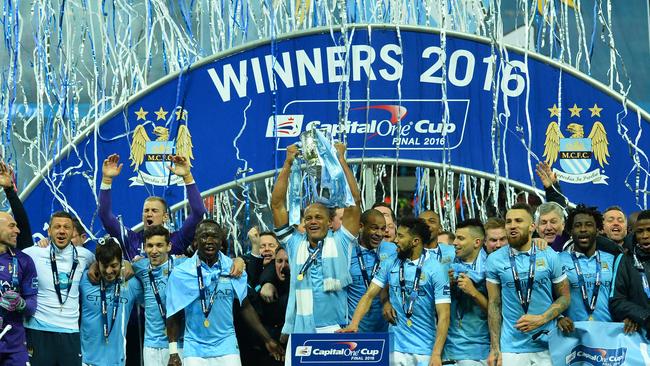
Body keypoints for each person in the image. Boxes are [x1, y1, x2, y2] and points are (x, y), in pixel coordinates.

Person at [270, 142, 361, 341]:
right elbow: (277, 204)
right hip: (300, 330)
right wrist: (287, 164)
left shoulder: (342, 241)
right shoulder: (294, 243)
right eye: (308, 217)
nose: (312, 221)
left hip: (335, 330)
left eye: (318, 217)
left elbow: (354, 201)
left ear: (330, 222)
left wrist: (341, 161)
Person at [165, 219, 283, 365]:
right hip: (194, 347)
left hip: (227, 346)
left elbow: (245, 307)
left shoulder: (233, 269)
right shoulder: (181, 273)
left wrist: (268, 339)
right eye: (204, 236)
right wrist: (173, 351)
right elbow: (173, 313)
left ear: (221, 241)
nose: (209, 240)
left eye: (214, 236)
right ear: (195, 241)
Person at [340, 217, 451, 366]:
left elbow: (444, 315)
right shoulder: (390, 262)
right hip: (395, 348)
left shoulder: (436, 269)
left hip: (425, 349)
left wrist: (437, 354)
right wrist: (354, 324)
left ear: (415, 242)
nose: (396, 240)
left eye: (401, 236)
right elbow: (369, 295)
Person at [486, 203, 569, 366]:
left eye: (518, 221)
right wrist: (495, 348)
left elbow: (565, 297)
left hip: (547, 344)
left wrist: (541, 319)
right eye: (508, 222)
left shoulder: (549, 255)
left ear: (532, 226)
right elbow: (494, 304)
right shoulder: (494, 260)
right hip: (512, 347)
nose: (512, 226)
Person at [98, 153, 207, 258]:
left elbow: (198, 212)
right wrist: (107, 180)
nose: (149, 214)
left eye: (154, 211)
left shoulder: (176, 240)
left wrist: (187, 177)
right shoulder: (130, 239)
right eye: (146, 211)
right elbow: (105, 216)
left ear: (165, 217)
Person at [23, 211, 95, 366]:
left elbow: (106, 264)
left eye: (66, 227)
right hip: (38, 329)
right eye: (57, 227)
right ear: (49, 231)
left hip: (70, 331)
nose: (62, 231)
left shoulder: (85, 255)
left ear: (72, 232)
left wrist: (127, 265)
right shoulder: (34, 253)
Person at [79, 238, 143, 366]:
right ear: (97, 263)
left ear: (121, 263)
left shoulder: (131, 283)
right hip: (86, 361)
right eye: (104, 265)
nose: (109, 271)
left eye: (114, 265)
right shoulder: (85, 279)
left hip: (117, 362)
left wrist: (130, 263)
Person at [557, 205, 616, 334]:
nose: (583, 229)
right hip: (573, 335)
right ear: (570, 231)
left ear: (598, 229)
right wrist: (559, 318)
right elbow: (548, 295)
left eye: (589, 225)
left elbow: (621, 296)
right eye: (578, 225)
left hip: (609, 334)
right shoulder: (557, 260)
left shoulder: (612, 260)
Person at [132, 225, 184, 366]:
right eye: (150, 246)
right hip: (151, 345)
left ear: (169, 246)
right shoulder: (140, 266)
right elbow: (121, 266)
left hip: (179, 344)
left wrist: (238, 261)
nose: (154, 251)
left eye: (159, 245)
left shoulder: (182, 265)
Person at [446, 219, 489, 365]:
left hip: (479, 352)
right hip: (448, 351)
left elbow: (498, 312)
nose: (455, 242)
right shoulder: (448, 265)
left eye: (461, 238)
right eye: (455, 237)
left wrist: (474, 292)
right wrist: (449, 286)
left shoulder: (491, 267)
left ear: (477, 242)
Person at [347, 209, 395, 333]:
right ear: (361, 227)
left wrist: (387, 301)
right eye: (374, 228)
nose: (379, 233)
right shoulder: (348, 250)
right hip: (355, 329)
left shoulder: (392, 250)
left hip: (386, 329)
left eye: (382, 229)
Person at [0, 211, 38, 366]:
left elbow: (31, 306)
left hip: (14, 347)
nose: (18, 230)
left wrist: (21, 304)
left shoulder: (24, 261)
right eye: (12, 226)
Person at [610, 210, 650, 333]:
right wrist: (643, 317)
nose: (644, 236)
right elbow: (616, 301)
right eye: (640, 231)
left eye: (649, 230)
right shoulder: (625, 260)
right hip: (640, 335)